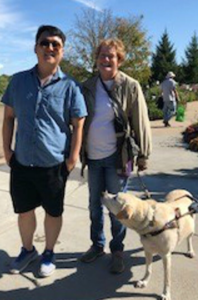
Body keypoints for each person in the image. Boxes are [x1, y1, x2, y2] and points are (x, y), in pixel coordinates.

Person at [1, 25, 87, 277]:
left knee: (53, 211)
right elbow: (8, 118)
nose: (50, 48)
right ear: (35, 47)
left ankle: (49, 252)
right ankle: (28, 250)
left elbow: (78, 123)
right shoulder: (17, 81)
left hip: (53, 164)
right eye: (45, 43)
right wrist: (7, 151)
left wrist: (72, 159)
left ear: (61, 51)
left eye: (55, 45)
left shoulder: (71, 86)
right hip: (23, 162)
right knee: (24, 210)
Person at [79, 38, 152, 274]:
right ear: (97, 59)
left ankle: (117, 250)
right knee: (94, 206)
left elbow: (140, 122)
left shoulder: (130, 86)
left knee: (117, 209)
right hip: (93, 157)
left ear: (119, 59)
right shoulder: (88, 86)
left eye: (111, 56)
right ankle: (97, 245)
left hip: (117, 158)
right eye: (102, 55)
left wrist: (143, 155)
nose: (106, 59)